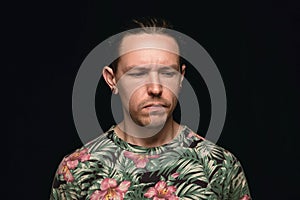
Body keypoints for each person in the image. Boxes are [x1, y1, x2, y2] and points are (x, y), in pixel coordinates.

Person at [50, 17, 252, 200]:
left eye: (167, 73)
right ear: (112, 79)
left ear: (181, 78)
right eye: (138, 74)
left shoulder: (220, 166)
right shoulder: (77, 169)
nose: (155, 88)